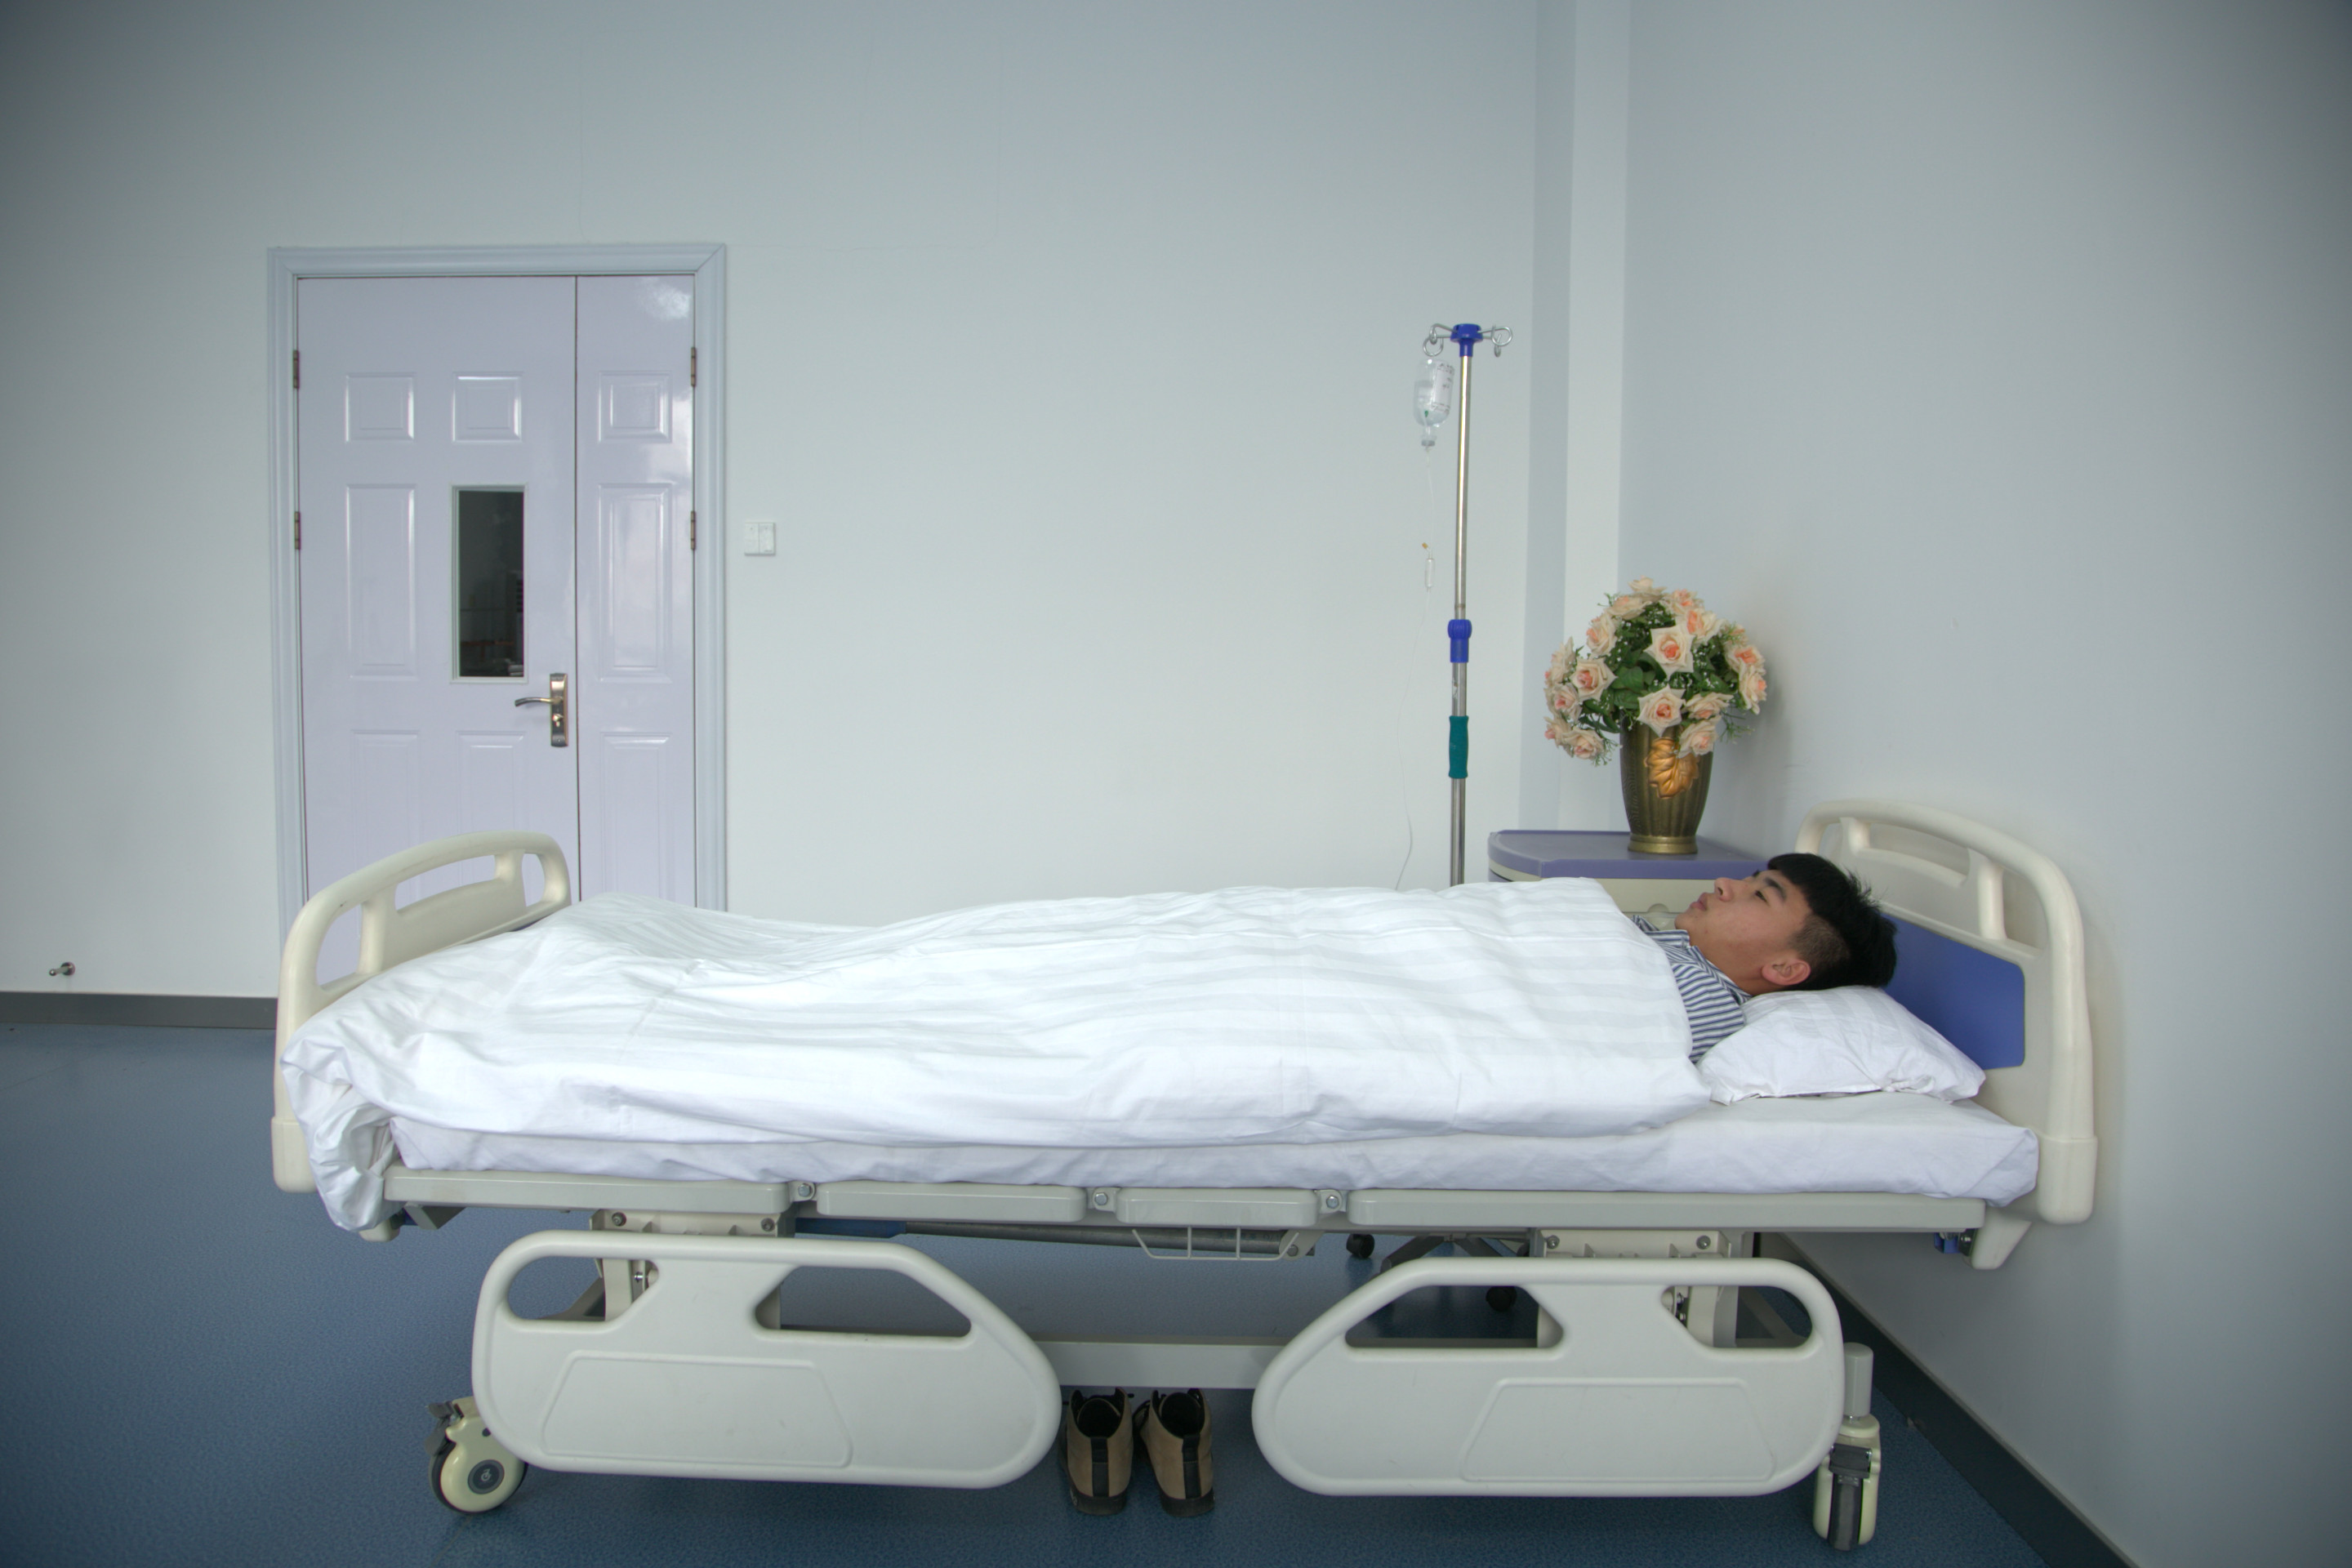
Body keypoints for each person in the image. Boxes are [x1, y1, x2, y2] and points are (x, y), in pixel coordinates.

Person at [1635, 852, 1898, 1062]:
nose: (1723, 883)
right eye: (1749, 880)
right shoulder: (1654, 941)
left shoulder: (1701, 1001)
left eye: (1760, 896)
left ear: (1784, 968)